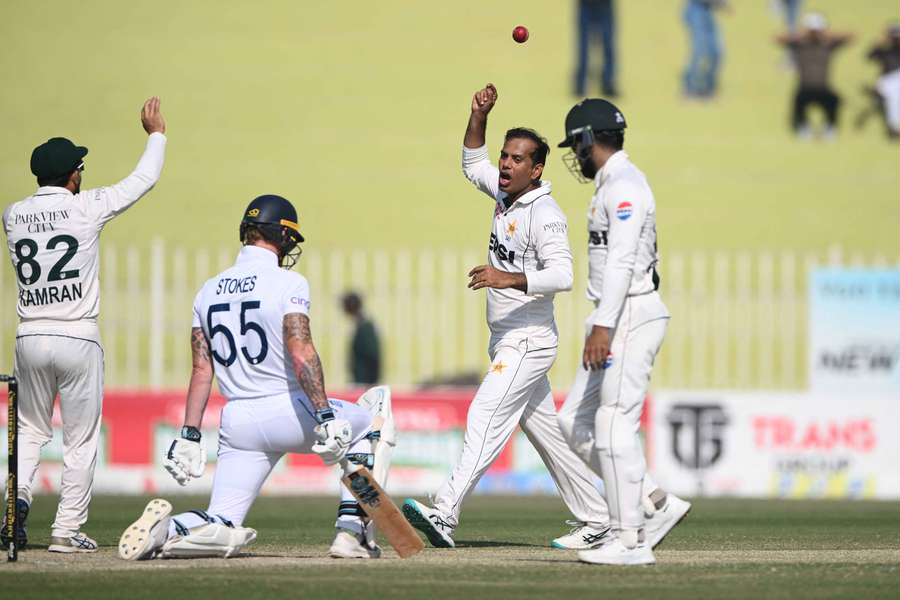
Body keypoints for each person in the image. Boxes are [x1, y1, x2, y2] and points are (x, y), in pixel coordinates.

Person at [116, 196, 395, 561]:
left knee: (222, 518)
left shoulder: (208, 289)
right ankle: (351, 533)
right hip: (288, 408)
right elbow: (301, 350)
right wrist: (325, 414)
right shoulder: (288, 282)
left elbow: (202, 369)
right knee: (372, 424)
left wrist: (190, 433)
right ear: (281, 234)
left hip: (238, 420)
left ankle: (166, 530)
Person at [402, 84, 615, 552]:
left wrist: (507, 277)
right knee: (548, 437)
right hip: (506, 339)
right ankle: (599, 518)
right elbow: (470, 161)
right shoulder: (504, 195)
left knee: (484, 413)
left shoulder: (546, 214)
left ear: (537, 169)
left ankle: (445, 510)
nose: (505, 164)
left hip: (529, 338)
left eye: (517, 159)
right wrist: (478, 113)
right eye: (505, 155)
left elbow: (563, 274)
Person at [0, 98, 167, 554]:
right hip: (77, 335)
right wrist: (156, 134)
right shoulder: (85, 207)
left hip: (30, 334)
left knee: (31, 430)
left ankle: (16, 503)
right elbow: (143, 180)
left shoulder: (12, 215)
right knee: (80, 438)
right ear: (73, 175)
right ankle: (65, 529)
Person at [555, 98, 689, 566]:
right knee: (574, 422)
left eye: (576, 143)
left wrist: (604, 327)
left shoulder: (625, 185)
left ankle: (629, 539)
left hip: (628, 312)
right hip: (613, 314)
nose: (575, 154)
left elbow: (623, 260)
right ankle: (654, 503)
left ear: (590, 139)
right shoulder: (612, 183)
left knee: (613, 423)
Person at [777, 13, 853, 139]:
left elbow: (850, 36)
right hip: (804, 88)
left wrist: (825, 34)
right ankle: (803, 129)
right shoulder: (800, 44)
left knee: (834, 101)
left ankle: (829, 129)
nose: (814, 33)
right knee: (798, 104)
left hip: (824, 87)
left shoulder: (828, 44)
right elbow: (778, 38)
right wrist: (802, 35)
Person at [682, 0, 729, 98]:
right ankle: (690, 88)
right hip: (696, 9)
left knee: (716, 52)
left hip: (706, 11)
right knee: (700, 50)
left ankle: (707, 89)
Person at [573, 0, 618, 97]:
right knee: (583, 46)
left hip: (604, 5)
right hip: (586, 5)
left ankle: (608, 82)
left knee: (608, 43)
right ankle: (580, 83)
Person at [340, 291, 382, 385]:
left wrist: (371, 382)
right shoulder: (362, 325)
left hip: (365, 382)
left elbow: (372, 355)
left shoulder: (365, 327)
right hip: (362, 381)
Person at [867, 24, 900, 138]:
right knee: (893, 98)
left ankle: (894, 126)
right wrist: (882, 41)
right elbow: (870, 56)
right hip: (886, 79)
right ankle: (894, 127)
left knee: (894, 98)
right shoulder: (884, 50)